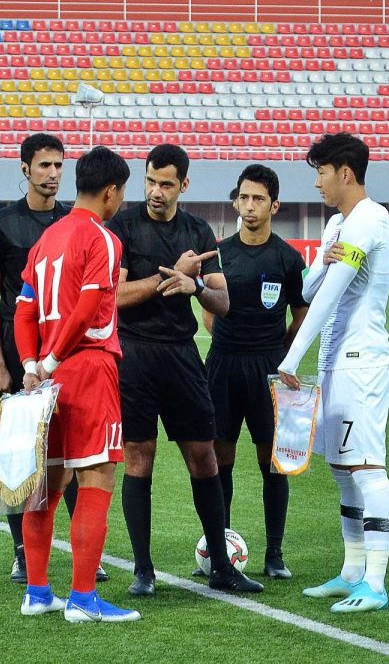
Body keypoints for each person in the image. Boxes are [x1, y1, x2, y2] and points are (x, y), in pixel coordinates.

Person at [107, 144, 264, 596]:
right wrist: (163, 280)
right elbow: (113, 297)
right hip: (134, 354)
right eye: (151, 182)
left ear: (184, 185)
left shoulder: (197, 231)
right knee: (140, 458)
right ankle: (143, 571)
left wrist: (193, 284)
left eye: (167, 184)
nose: (156, 192)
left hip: (181, 354)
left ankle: (221, 566)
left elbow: (223, 302)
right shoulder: (123, 228)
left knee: (204, 456)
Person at [12, 145, 139, 623]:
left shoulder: (46, 240)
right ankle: (84, 599)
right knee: (97, 476)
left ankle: (38, 591)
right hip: (86, 367)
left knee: (45, 482)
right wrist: (50, 359)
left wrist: (32, 362)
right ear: (111, 192)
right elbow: (87, 311)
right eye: (121, 193)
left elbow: (24, 308)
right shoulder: (103, 239)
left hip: (47, 377)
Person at [0, 133, 106, 584]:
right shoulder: (0, 226)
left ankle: (78, 554)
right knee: (28, 463)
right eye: (44, 165)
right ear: (25, 169)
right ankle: (22, 553)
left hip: (63, 360)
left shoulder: (72, 223)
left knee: (71, 456)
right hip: (26, 361)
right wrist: (0, 362)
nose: (53, 174)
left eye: (58, 166)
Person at [277, 133, 389, 614]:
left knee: (368, 468)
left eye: (321, 172)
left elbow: (330, 295)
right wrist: (323, 258)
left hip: (362, 362)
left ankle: (376, 582)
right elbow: (309, 286)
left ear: (345, 172)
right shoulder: (337, 224)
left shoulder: (370, 220)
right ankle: (351, 571)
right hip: (335, 363)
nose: (317, 181)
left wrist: (291, 358)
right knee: (343, 469)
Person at [201, 164, 307, 579]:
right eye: (243, 197)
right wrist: (228, 340)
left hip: (268, 369)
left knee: (271, 461)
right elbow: (208, 307)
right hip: (223, 364)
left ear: (274, 205)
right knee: (218, 459)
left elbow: (301, 315)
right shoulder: (219, 253)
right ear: (235, 201)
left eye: (258, 198)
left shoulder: (286, 257)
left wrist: (277, 355)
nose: (249, 206)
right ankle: (219, 552)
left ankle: (274, 554)